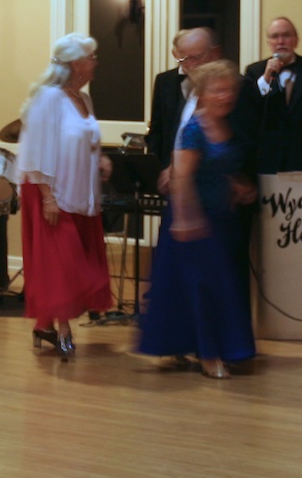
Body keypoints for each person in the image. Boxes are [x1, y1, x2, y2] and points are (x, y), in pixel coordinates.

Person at [139, 60, 257, 379]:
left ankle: (209, 346)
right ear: (202, 94)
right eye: (218, 90)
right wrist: (185, 220)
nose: (225, 95)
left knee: (218, 288)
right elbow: (182, 178)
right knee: (201, 289)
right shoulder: (194, 129)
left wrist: (236, 186)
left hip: (221, 219)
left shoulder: (225, 124)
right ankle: (207, 354)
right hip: (192, 222)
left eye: (229, 89)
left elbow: (217, 167)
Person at [15, 33, 114, 361]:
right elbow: (34, 152)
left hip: (79, 192)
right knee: (65, 265)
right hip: (51, 192)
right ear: (76, 63)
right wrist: (47, 197)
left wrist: (99, 159)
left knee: (74, 263)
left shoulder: (83, 99)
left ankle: (45, 326)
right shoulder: (49, 98)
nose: (96, 63)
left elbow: (83, 138)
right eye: (91, 57)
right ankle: (62, 329)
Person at [243, 17, 302, 174]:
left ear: (296, 40)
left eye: (286, 35)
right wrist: (266, 78)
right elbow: (249, 113)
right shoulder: (254, 72)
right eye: (274, 36)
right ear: (268, 43)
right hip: (265, 162)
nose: (280, 41)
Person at [145, 27, 220, 194]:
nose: (189, 64)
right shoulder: (169, 81)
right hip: (172, 175)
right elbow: (158, 129)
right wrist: (160, 169)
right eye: (183, 58)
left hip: (209, 176)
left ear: (213, 54)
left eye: (195, 58)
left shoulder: (223, 86)